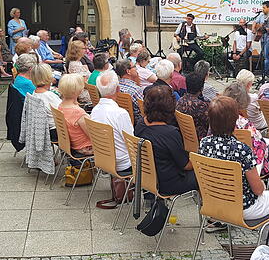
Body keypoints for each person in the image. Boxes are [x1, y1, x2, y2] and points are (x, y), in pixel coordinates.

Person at [198, 96, 269, 241]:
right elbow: (258, 190)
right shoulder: (241, 149)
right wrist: (263, 184)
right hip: (242, 208)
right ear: (234, 120)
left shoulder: (204, 144)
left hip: (214, 204)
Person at [135, 85, 198, 195]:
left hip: (148, 177)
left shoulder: (140, 124)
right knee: (205, 176)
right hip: (168, 183)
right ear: (170, 106)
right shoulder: (169, 133)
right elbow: (186, 165)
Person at [90, 70, 134, 208]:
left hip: (104, 159)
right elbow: (132, 143)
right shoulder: (120, 113)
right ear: (118, 89)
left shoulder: (95, 110)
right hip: (122, 163)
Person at [221, 81, 269, 175]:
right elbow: (260, 146)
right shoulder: (244, 123)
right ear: (243, 101)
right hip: (245, 166)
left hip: (224, 161)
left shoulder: (216, 118)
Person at [57, 74, 93, 157]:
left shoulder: (60, 106)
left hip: (72, 144)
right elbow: (92, 135)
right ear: (79, 91)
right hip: (85, 147)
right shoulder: (78, 113)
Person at [29, 63, 62, 141]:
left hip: (44, 130)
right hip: (57, 131)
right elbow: (64, 112)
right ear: (48, 77)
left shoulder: (34, 93)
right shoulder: (49, 96)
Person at [175, 72, 209, 140]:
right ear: (202, 88)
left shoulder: (180, 101)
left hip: (184, 138)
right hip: (200, 140)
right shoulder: (201, 106)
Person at [250, 1, 269, 76]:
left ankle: (267, 72)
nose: (262, 9)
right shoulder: (261, 15)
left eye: (264, 8)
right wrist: (254, 28)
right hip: (262, 37)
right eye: (262, 7)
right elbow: (255, 22)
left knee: (266, 55)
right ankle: (263, 71)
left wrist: (264, 28)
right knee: (262, 54)